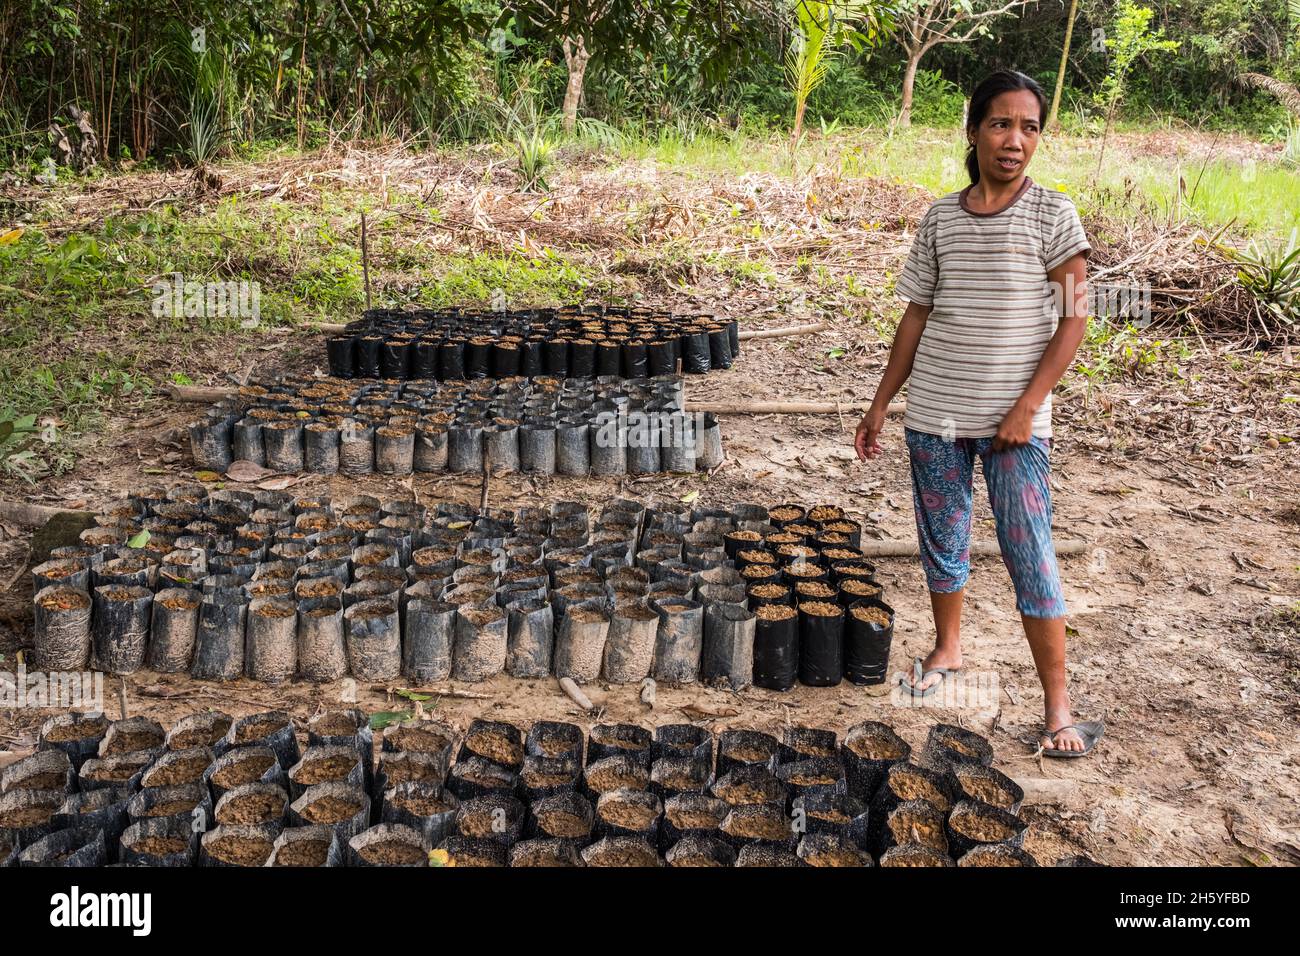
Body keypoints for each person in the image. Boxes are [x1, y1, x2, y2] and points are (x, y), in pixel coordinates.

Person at [853, 69, 1103, 757]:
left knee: (1031, 554)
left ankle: (1058, 708)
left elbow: (1075, 321)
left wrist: (1027, 407)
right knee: (944, 538)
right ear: (973, 131)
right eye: (1001, 123)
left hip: (1015, 427)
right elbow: (915, 317)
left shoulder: (1054, 215)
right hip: (935, 415)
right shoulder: (941, 217)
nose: (1015, 139)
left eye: (1029, 127)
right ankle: (947, 651)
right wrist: (882, 403)